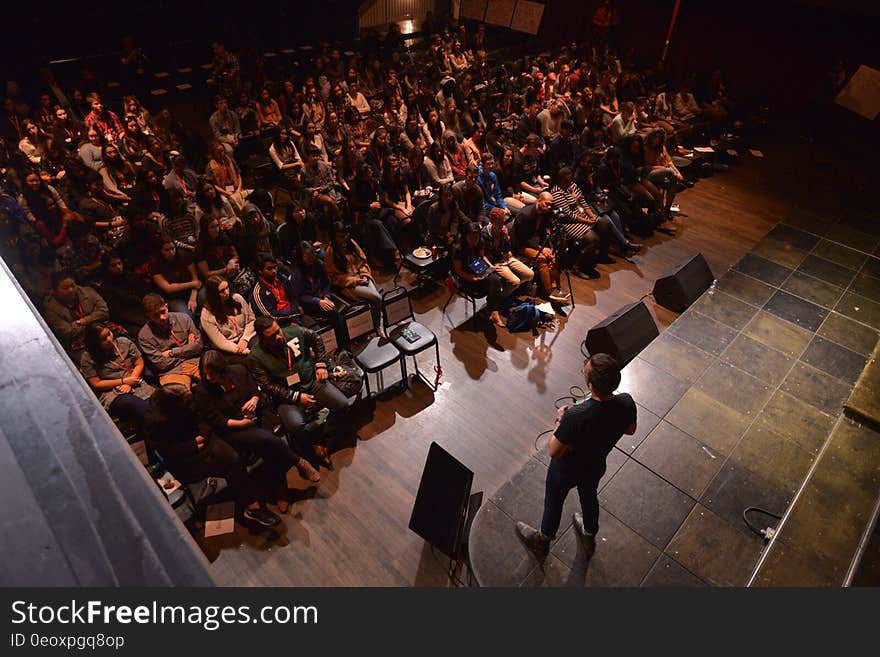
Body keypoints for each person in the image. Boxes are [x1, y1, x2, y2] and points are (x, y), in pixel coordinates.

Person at [516, 354, 637, 559]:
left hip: (565, 470)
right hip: (596, 466)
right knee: (589, 497)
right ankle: (589, 536)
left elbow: (554, 451)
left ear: (590, 385)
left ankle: (543, 541)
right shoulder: (626, 402)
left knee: (554, 502)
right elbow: (631, 430)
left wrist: (559, 421)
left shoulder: (574, 416)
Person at [194, 352, 321, 514]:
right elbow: (216, 421)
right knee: (267, 439)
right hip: (231, 428)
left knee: (268, 445)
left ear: (222, 369)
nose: (208, 377)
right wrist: (241, 423)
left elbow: (256, 392)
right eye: (204, 373)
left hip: (255, 416)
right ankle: (298, 463)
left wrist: (253, 401)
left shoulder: (238, 371)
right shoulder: (202, 391)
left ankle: (280, 489)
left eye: (212, 373)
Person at [144, 383, 281, 528]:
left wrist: (202, 437)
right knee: (229, 465)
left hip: (203, 439)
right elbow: (165, 449)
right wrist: (192, 445)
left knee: (234, 460)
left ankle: (250, 504)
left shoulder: (187, 400)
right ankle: (250, 503)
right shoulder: (154, 420)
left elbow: (203, 420)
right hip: (183, 456)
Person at [247, 316, 353, 456]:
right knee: (295, 425)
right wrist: (296, 397)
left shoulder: (294, 331)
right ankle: (310, 448)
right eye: (272, 337)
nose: (279, 337)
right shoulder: (255, 357)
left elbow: (316, 338)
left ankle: (324, 440)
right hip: (286, 396)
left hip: (311, 382)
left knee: (342, 404)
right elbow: (268, 386)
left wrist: (321, 363)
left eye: (278, 331)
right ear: (262, 339)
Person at [80, 322, 154, 428]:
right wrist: (123, 381)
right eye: (103, 339)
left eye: (109, 334)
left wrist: (130, 382)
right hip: (112, 391)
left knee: (155, 403)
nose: (109, 339)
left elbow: (139, 363)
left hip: (135, 381)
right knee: (135, 405)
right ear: (95, 343)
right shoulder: (88, 358)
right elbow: (96, 383)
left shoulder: (123, 342)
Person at [513, 192, 570, 303]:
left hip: (535, 243)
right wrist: (540, 248)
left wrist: (547, 247)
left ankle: (555, 288)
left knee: (552, 256)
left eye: (551, 205)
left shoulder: (545, 213)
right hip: (521, 244)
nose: (549, 207)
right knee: (542, 258)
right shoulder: (525, 215)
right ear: (538, 201)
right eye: (547, 204)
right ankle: (549, 292)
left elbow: (543, 233)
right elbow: (521, 238)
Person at [137, 293, 203, 388]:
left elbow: (199, 346)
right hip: (172, 371)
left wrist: (172, 353)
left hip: (195, 361)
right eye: (155, 315)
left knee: (219, 378)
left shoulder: (183, 318)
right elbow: (161, 364)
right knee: (179, 395)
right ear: (148, 316)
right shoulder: (144, 335)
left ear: (166, 306)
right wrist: (189, 349)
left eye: (163, 312)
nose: (162, 318)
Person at [43, 269, 110, 362]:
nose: (71, 290)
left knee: (121, 340)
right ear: (55, 291)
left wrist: (82, 321)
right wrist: (93, 319)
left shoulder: (87, 291)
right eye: (65, 288)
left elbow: (104, 311)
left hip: (99, 329)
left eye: (72, 286)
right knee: (88, 360)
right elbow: (67, 332)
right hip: (77, 341)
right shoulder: (51, 307)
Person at [200, 275, 256, 361]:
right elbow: (220, 342)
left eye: (227, 288)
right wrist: (243, 350)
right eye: (222, 291)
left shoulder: (237, 298)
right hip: (227, 349)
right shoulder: (206, 314)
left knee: (261, 349)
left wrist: (245, 339)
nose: (227, 292)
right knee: (249, 360)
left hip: (246, 337)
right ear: (214, 294)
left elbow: (251, 320)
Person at [251, 254, 304, 325]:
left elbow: (294, 298)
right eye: (269, 269)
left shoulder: (282, 279)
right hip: (279, 324)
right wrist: (295, 312)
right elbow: (270, 316)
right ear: (260, 271)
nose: (274, 271)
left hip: (295, 316)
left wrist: (295, 317)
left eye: (275, 267)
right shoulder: (259, 291)